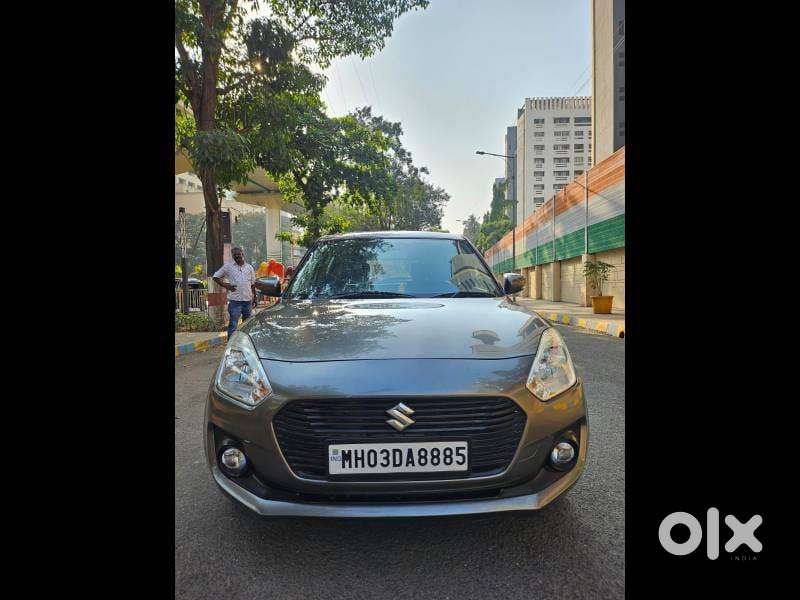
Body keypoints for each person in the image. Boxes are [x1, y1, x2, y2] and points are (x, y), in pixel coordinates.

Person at [212, 246, 257, 338]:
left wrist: (255, 298)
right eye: (234, 255)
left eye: (238, 254)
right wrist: (226, 285)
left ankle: (244, 344)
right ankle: (230, 345)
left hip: (247, 301)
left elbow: (252, 284)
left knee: (247, 326)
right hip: (235, 302)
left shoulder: (249, 268)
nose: (237, 256)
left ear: (242, 254)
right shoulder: (228, 267)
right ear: (233, 256)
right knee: (233, 325)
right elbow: (215, 277)